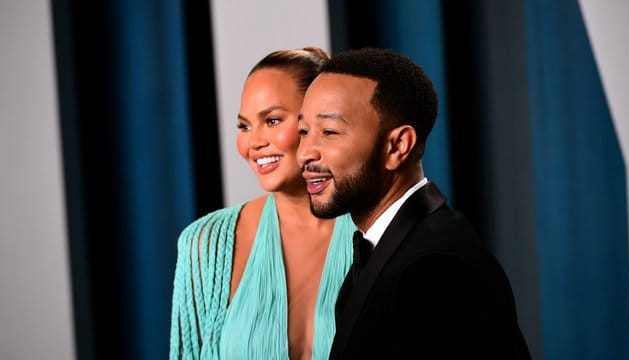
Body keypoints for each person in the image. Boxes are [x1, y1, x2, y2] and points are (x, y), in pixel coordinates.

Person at [297, 48, 530, 359]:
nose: (305, 153)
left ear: (397, 146)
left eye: (329, 132)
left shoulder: (438, 270)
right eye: (303, 131)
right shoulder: (389, 249)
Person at [170, 47, 355, 360]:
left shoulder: (380, 232)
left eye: (271, 120)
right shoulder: (206, 244)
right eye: (244, 126)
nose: (253, 143)